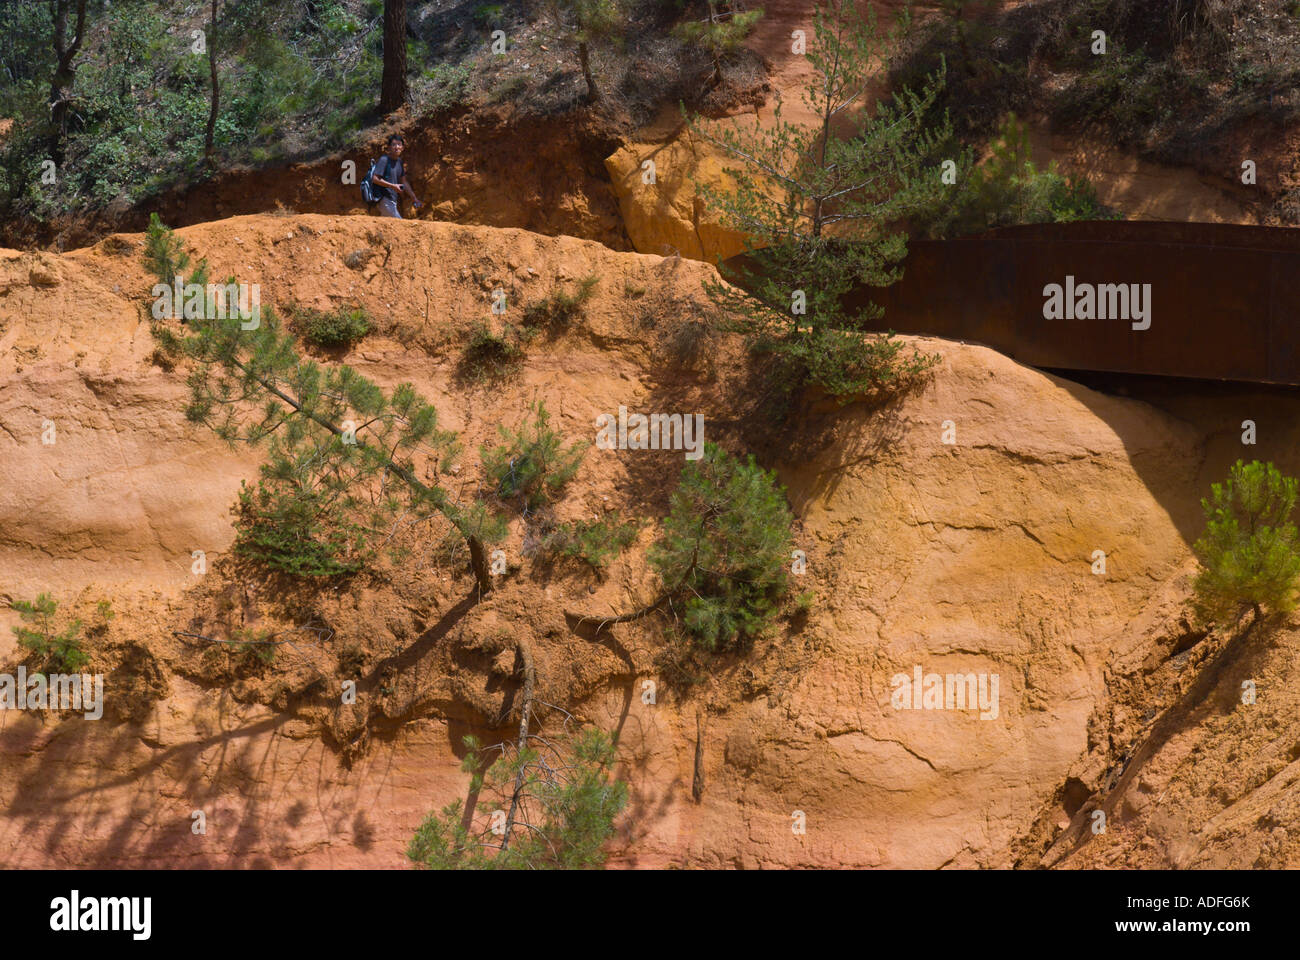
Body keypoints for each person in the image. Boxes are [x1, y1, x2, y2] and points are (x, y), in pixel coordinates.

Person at [371, 134, 423, 218]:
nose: (396, 147)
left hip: (393, 201)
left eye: (399, 144)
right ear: (389, 147)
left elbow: (404, 182)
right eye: (393, 145)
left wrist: (414, 198)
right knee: (400, 225)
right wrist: (392, 186)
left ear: (402, 148)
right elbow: (374, 178)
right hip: (384, 199)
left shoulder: (399, 162)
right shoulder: (384, 160)